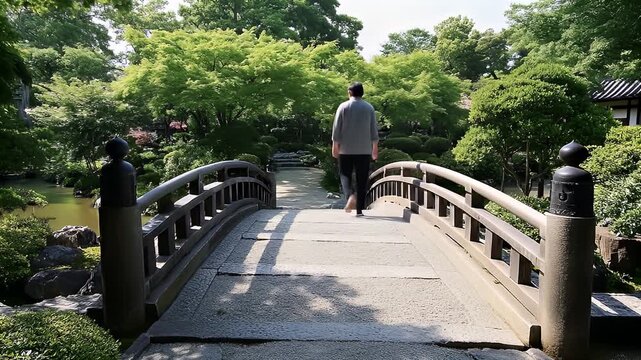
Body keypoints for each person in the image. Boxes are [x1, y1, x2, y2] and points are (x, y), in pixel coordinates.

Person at [331, 82, 379, 216]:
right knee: (362, 179)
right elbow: (373, 130)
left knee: (345, 175)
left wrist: (335, 146)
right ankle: (359, 210)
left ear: (349, 93)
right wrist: (375, 148)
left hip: (345, 149)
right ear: (362, 93)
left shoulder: (343, 106)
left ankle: (350, 196)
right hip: (364, 150)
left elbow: (336, 129)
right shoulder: (369, 108)